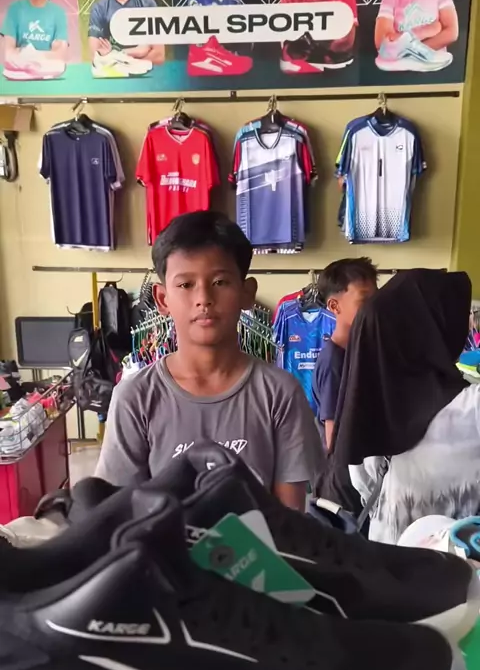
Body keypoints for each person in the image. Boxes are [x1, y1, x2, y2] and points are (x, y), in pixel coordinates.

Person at [96, 211, 323, 510]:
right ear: (163, 299)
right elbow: (121, 513)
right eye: (185, 285)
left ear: (247, 293)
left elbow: (289, 518)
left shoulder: (280, 393)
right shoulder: (135, 397)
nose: (203, 298)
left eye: (220, 282)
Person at [333, 268, 478, 544]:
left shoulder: (368, 403)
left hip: (386, 558)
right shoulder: (472, 409)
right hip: (457, 564)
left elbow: (363, 486)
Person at [313, 258, 378, 451]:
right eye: (364, 300)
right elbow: (333, 438)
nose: (373, 307)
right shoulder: (334, 362)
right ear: (335, 306)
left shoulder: (358, 352)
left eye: (375, 299)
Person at [88, 0, 165, 66]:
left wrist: (112, 56)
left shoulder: (148, 4)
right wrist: (136, 52)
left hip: (146, 74)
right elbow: (96, 57)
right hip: (112, 74)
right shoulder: (99, 8)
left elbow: (159, 56)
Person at [374, 0, 459, 54]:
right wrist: (424, 32)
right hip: (399, 68)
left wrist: (416, 51)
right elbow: (382, 43)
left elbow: (451, 33)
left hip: (435, 65)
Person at [1, 0, 68, 60]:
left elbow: (60, 54)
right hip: (20, 66)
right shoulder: (14, 9)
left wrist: (28, 54)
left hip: (47, 66)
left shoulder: (58, 12)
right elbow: (9, 53)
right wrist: (46, 55)